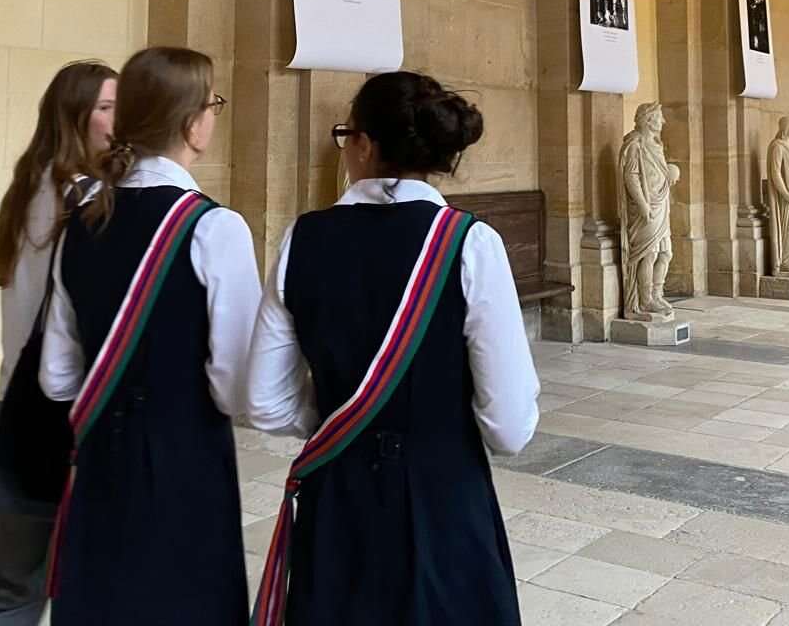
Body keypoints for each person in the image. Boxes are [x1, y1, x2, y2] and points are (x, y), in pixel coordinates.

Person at [245, 71, 540, 626]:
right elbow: (510, 423)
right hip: (444, 496)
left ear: (363, 143)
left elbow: (264, 400)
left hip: (339, 497)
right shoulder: (471, 243)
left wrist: (339, 418)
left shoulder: (303, 237)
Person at [38, 47, 261, 625]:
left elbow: (57, 375)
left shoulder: (80, 219)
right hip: (185, 455)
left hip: (100, 456)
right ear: (192, 123)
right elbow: (238, 386)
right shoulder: (216, 228)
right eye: (213, 102)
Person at [0, 62, 117, 625]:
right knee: (21, 585)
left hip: (21, 407)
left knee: (13, 578)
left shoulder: (35, 180)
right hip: (50, 413)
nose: (119, 120)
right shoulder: (81, 195)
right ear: (75, 116)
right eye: (106, 107)